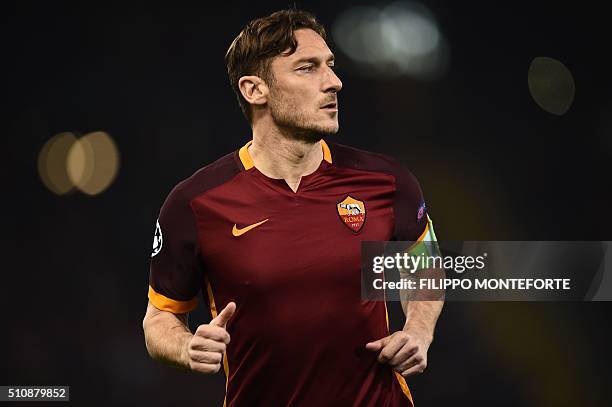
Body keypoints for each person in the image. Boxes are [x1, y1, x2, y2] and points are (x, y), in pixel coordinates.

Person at [142, 9, 443, 406]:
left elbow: (426, 263)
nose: (334, 82)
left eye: (331, 66)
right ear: (255, 90)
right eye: (307, 68)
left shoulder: (386, 181)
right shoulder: (195, 203)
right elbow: (159, 318)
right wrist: (186, 347)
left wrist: (419, 332)